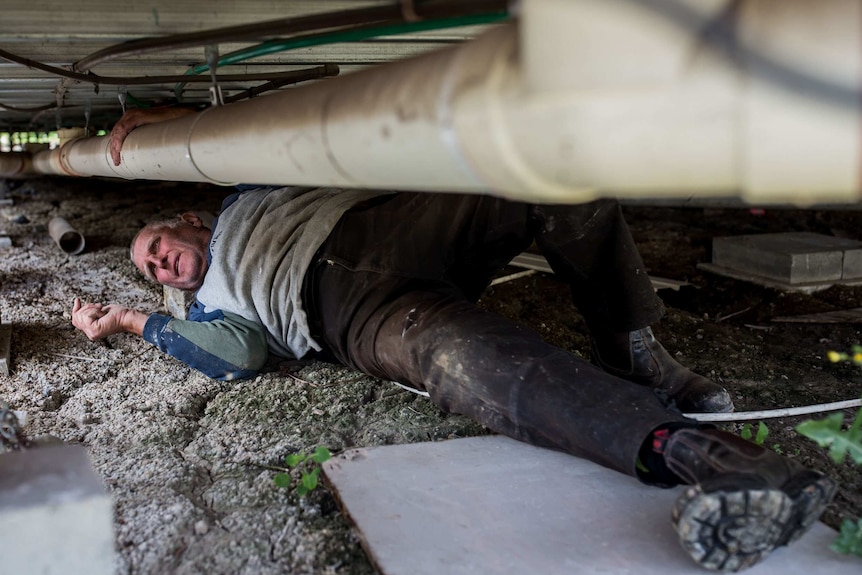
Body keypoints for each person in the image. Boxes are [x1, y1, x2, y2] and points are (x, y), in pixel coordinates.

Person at [72, 108, 836, 572]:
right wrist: (135, 320)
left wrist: (164, 118)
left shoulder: (243, 193)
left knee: (550, 179)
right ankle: (710, 459)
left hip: (382, 224)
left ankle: (633, 349)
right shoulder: (206, 313)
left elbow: (244, 124)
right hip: (350, 315)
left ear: (186, 220)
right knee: (472, 368)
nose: (160, 262)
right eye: (152, 272)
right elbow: (237, 360)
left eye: (156, 243)